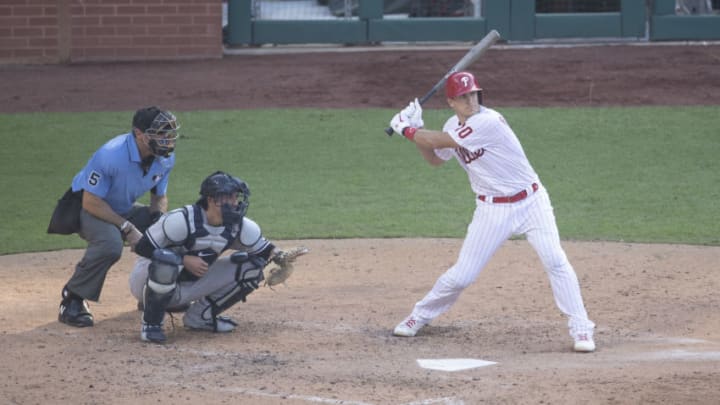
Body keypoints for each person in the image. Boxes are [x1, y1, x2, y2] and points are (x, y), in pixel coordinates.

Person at [388, 71, 596, 352]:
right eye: (463, 97)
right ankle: (418, 316)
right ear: (452, 102)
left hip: (531, 202)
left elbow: (435, 141)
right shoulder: (452, 124)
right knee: (463, 275)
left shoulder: (488, 121)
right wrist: (418, 130)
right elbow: (435, 159)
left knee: (555, 261)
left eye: (473, 94)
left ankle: (582, 328)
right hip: (491, 209)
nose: (470, 100)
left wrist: (406, 129)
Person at [57, 106, 180, 328]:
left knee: (171, 231)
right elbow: (90, 201)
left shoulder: (164, 158)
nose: (166, 140)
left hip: (121, 207)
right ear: (139, 134)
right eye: (159, 134)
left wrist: (158, 220)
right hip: (87, 207)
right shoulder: (111, 155)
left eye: (168, 134)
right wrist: (127, 228)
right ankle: (72, 298)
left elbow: (159, 197)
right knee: (110, 245)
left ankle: (153, 295)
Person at [128, 171, 284, 344]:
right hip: (146, 282)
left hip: (188, 285)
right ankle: (152, 324)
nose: (233, 203)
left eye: (235, 197)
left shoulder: (238, 227)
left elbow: (265, 250)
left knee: (252, 267)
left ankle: (200, 317)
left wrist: (281, 257)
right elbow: (143, 247)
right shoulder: (181, 220)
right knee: (167, 261)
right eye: (227, 198)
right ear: (210, 200)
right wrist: (184, 259)